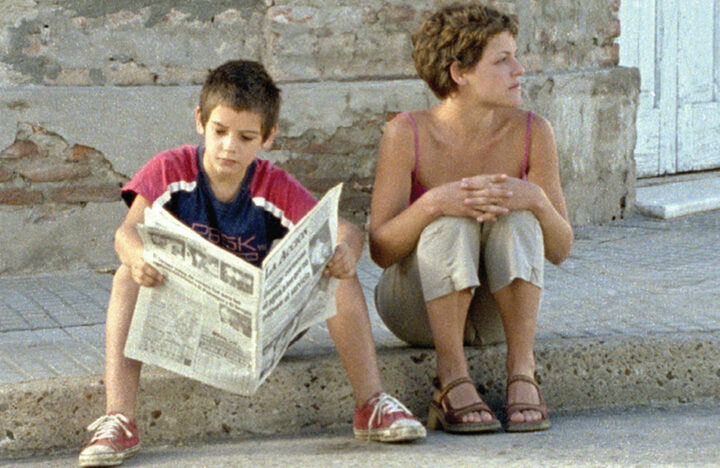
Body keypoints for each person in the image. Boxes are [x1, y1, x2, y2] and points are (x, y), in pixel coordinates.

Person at [79, 60, 425, 467]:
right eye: (220, 131)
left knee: (334, 269)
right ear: (200, 121)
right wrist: (138, 258)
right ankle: (119, 418)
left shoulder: (271, 184)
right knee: (125, 278)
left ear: (268, 136)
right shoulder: (171, 168)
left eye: (246, 137)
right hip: (188, 323)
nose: (230, 146)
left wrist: (346, 250)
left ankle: (371, 404)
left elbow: (342, 229)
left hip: (260, 329)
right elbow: (126, 233)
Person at [369, 3, 573, 435]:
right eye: (502, 60)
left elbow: (560, 250)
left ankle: (523, 369)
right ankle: (451, 375)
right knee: (450, 221)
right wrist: (434, 204)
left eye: (515, 56)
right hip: (418, 308)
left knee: (518, 220)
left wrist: (537, 201)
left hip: (497, 312)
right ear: (459, 72)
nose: (519, 69)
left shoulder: (535, 131)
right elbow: (381, 251)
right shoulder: (406, 132)